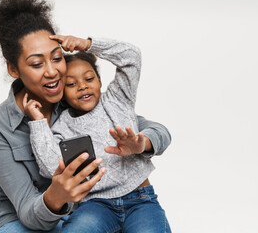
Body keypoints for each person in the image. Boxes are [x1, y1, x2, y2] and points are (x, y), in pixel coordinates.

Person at [0, 0, 171, 232]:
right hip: (28, 218)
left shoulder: (79, 99)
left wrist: (143, 143)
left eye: (57, 58)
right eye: (37, 64)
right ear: (13, 68)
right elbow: (28, 211)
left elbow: (153, 129)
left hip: (88, 207)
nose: (52, 72)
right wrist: (56, 196)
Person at [24, 35, 172, 233]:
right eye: (71, 84)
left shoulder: (118, 99)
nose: (82, 86)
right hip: (95, 205)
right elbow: (49, 167)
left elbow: (131, 56)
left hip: (140, 199)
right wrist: (38, 122)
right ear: (61, 91)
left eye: (89, 78)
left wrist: (89, 45)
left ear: (100, 80)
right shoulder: (61, 127)